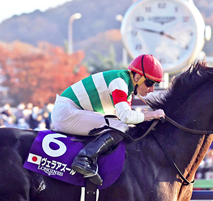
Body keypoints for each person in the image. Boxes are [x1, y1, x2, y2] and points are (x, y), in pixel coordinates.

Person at [50, 54, 165, 185]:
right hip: (66, 112)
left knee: (120, 125)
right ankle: (84, 158)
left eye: (154, 84)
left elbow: (126, 118)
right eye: (149, 82)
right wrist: (152, 115)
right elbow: (126, 117)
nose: (151, 89)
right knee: (120, 126)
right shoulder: (119, 82)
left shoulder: (126, 88)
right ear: (137, 77)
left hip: (70, 111)